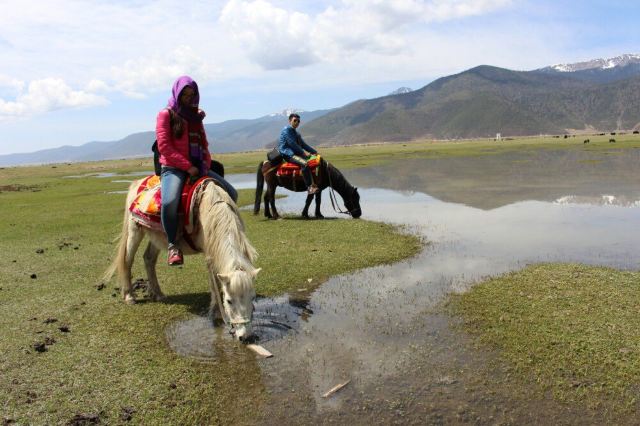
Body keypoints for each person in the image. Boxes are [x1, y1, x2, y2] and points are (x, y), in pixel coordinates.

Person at [156, 76, 238, 266]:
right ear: (177, 93)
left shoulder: (196, 116)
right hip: (173, 168)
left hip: (198, 167)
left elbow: (203, 144)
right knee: (169, 202)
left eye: (191, 95)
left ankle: (217, 235)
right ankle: (173, 245)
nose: (187, 98)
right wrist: (188, 166)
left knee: (231, 193)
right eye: (184, 94)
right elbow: (165, 147)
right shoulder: (166, 115)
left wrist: (205, 165)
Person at [277, 113, 319, 194]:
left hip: (295, 154)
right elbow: (292, 144)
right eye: (295, 120)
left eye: (298, 121)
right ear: (290, 121)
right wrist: (304, 153)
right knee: (305, 164)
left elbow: (303, 144)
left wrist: (314, 152)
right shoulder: (286, 130)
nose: (297, 122)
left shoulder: (296, 133)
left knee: (312, 162)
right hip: (288, 154)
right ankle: (310, 187)